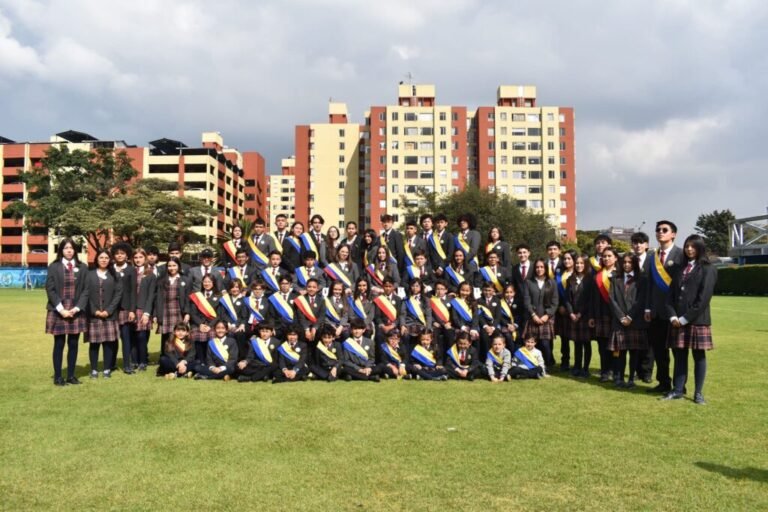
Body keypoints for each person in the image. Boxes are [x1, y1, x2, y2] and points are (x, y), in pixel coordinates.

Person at [663, 235, 717, 405]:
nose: (689, 249)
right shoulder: (679, 269)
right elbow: (669, 296)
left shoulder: (708, 269)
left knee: (699, 357)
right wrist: (672, 316)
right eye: (687, 246)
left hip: (696, 321)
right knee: (679, 356)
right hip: (677, 320)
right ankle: (678, 390)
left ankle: (698, 393)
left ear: (700, 248)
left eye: (693, 246)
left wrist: (685, 319)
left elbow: (703, 299)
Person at [645, 220, 685, 394]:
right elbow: (648, 284)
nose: (660, 232)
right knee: (660, 352)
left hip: (674, 312)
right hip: (655, 312)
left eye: (664, 230)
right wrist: (647, 308)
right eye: (658, 230)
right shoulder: (651, 256)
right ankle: (663, 382)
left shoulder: (682, 255)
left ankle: (679, 386)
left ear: (673, 234)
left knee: (678, 352)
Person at [45, 238, 89, 386]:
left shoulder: (83, 267)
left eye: (71, 248)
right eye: (66, 248)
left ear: (75, 250)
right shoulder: (54, 266)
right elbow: (50, 289)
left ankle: (71, 375)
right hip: (58, 310)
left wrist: (76, 308)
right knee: (59, 343)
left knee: (74, 343)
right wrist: (62, 309)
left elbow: (86, 290)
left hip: (76, 309)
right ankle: (58, 377)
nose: (69, 250)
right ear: (61, 250)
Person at [608, 253, 649, 388]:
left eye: (630, 262)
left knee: (634, 353)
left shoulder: (642, 279)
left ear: (635, 264)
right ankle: (619, 378)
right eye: (624, 262)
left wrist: (630, 317)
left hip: (635, 322)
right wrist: (621, 317)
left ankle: (631, 378)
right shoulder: (615, 278)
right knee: (620, 353)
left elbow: (641, 300)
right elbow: (612, 299)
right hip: (619, 322)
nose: (626, 264)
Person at [84, 249, 123, 379]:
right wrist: (94, 310)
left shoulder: (115, 274)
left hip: (109, 315)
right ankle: (94, 369)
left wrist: (109, 310)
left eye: (106, 258)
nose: (104, 260)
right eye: (101, 257)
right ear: (96, 259)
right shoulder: (89, 275)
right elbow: (85, 294)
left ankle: (107, 369)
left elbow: (118, 294)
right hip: (93, 316)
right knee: (94, 344)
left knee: (108, 343)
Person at [589, 246, 619, 382]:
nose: (606, 259)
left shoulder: (620, 274)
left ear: (615, 258)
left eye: (609, 256)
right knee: (603, 346)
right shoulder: (597, 276)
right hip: (601, 315)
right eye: (604, 256)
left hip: (617, 315)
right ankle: (605, 371)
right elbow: (593, 298)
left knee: (617, 345)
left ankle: (616, 371)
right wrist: (592, 316)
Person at [523, 258, 559, 368]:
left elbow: (555, 301)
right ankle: (534, 364)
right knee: (533, 343)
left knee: (545, 344)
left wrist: (547, 315)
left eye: (542, 267)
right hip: (532, 317)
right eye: (537, 267)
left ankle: (547, 365)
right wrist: (533, 314)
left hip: (546, 318)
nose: (539, 269)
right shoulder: (529, 282)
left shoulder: (551, 282)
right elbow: (526, 300)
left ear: (545, 268)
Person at [153, 257, 191, 354]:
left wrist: (187, 313)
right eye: (169, 266)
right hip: (165, 311)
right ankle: (164, 359)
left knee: (179, 334)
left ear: (178, 266)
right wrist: (155, 314)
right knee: (165, 336)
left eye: (174, 265)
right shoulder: (161, 280)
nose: (172, 268)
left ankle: (179, 357)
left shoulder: (185, 280)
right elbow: (157, 299)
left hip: (178, 310)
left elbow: (188, 298)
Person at [566, 254, 593, 378]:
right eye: (577, 263)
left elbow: (589, 300)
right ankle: (577, 367)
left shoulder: (590, 279)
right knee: (576, 343)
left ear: (586, 264)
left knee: (586, 343)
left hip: (585, 316)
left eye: (582, 263)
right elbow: (567, 299)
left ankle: (585, 368)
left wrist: (580, 314)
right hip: (573, 316)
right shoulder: (570, 279)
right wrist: (571, 313)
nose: (579, 265)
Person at [131, 248, 156, 371]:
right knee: (132, 337)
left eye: (140, 257)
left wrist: (147, 312)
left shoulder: (150, 273)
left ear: (145, 258)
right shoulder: (130, 271)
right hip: (131, 308)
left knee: (142, 337)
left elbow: (151, 294)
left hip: (143, 309)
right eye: (135, 257)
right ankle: (134, 360)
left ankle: (143, 361)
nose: (138, 260)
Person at [111, 242, 135, 374]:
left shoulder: (131, 269)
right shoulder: (110, 268)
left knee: (126, 338)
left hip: (125, 308)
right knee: (112, 338)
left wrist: (132, 310)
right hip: (112, 308)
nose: (119, 256)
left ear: (126, 255)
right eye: (117, 253)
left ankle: (127, 364)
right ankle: (111, 363)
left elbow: (132, 291)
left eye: (122, 253)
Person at [188, 273, 221, 361]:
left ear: (213, 283)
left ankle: (210, 360)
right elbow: (193, 313)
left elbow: (219, 315)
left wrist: (210, 326)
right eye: (205, 282)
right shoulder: (197, 296)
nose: (207, 284)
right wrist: (200, 324)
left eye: (209, 282)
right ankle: (200, 360)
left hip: (212, 324)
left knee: (212, 334)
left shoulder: (219, 296)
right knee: (197, 334)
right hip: (199, 323)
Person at [554, 249, 576, 372]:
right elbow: (555, 292)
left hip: (575, 310)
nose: (567, 261)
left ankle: (579, 364)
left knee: (579, 339)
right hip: (562, 309)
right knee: (564, 338)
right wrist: (559, 306)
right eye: (565, 259)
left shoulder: (579, 272)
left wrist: (572, 309)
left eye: (569, 259)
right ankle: (565, 361)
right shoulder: (559, 273)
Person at [399, 278, 433, 350]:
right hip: (409, 324)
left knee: (425, 336)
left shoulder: (426, 300)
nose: (415, 288)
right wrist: (402, 325)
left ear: (421, 287)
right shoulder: (406, 299)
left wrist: (428, 328)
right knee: (405, 335)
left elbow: (428, 315)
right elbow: (402, 314)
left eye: (417, 286)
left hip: (421, 324)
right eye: (413, 286)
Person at [373, 277, 403, 347]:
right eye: (386, 286)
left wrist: (392, 325)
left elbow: (399, 316)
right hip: (382, 326)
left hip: (394, 325)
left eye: (390, 286)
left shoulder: (398, 299)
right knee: (379, 336)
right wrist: (383, 326)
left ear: (393, 287)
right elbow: (377, 316)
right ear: (382, 287)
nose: (388, 288)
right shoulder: (378, 299)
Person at [294, 278, 324, 344]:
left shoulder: (321, 300)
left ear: (317, 288)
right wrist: (306, 329)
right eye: (309, 287)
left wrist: (314, 328)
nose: (311, 289)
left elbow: (321, 316)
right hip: (303, 326)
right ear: (306, 287)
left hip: (316, 326)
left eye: (314, 287)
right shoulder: (301, 299)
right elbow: (300, 316)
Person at [498, 284, 519, 352]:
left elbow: (521, 316)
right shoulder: (500, 302)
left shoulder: (519, 302)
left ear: (514, 293)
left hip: (517, 325)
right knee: (507, 336)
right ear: (504, 293)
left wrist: (515, 325)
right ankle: (511, 355)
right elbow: (499, 316)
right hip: (505, 325)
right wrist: (507, 325)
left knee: (520, 336)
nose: (509, 294)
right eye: (507, 292)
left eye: (511, 292)